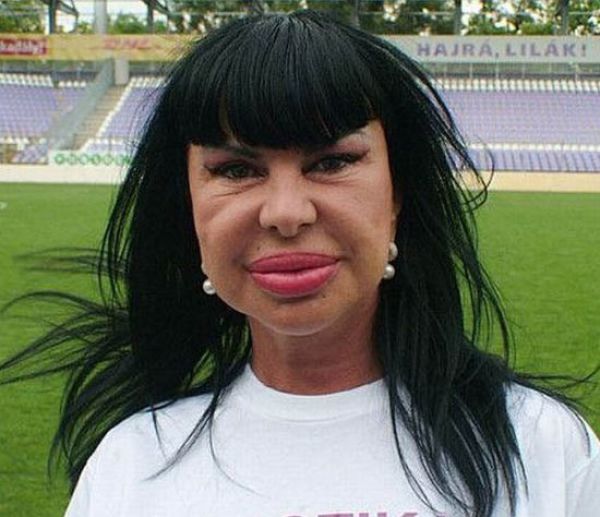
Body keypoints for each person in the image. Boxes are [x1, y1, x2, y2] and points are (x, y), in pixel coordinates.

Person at [1, 9, 598, 517]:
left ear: (397, 196)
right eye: (236, 170)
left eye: (332, 162)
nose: (286, 213)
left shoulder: (543, 448)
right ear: (188, 210)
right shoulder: (130, 465)